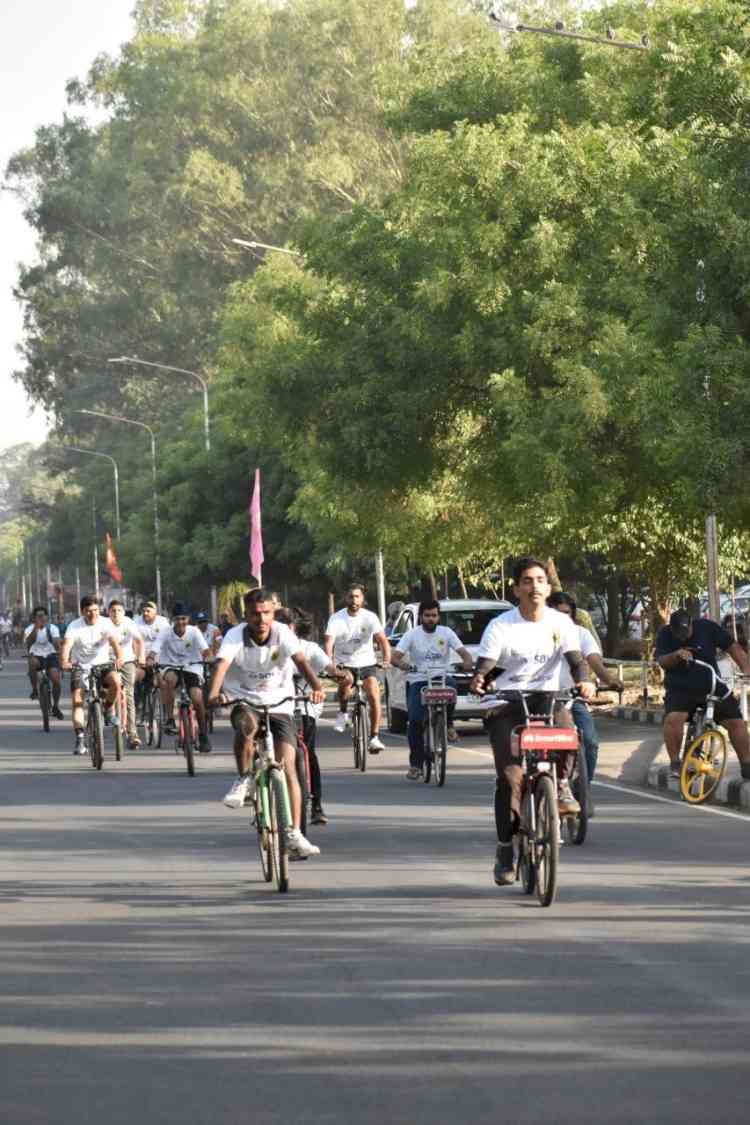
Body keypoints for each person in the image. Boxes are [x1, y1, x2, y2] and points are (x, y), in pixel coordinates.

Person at [469, 557, 595, 887]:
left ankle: (562, 786)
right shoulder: (501, 626)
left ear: (548, 587)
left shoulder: (561, 623)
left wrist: (585, 681)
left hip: (547, 698)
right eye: (527, 580)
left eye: (540, 580)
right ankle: (505, 848)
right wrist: (481, 679)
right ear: (516, 589)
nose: (534, 586)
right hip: (508, 702)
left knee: (569, 730)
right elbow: (488, 664)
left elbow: (576, 660)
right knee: (511, 778)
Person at [208, 587, 326, 860]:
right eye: (254, 614)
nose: (261, 619)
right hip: (244, 698)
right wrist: (214, 694)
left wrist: (317, 686)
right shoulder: (234, 635)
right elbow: (222, 666)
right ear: (246, 615)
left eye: (266, 613)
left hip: (280, 703)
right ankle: (244, 779)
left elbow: (301, 661)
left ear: (273, 613)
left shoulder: (283, 633)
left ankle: (294, 833)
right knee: (246, 725)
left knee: (288, 766)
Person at [276, 606, 352, 825]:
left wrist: (341, 675)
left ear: (295, 627)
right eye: (280, 625)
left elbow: (329, 667)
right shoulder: (269, 650)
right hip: (278, 707)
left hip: (305, 705)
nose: (285, 629)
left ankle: (316, 805)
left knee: (308, 751)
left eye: (289, 624)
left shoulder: (309, 648)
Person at [655, 609, 750, 780]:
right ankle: (675, 764)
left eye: (686, 632)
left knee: (736, 722)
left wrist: (746, 668)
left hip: (712, 684)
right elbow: (662, 661)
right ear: (671, 628)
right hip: (680, 689)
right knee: (673, 719)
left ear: (692, 624)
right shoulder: (664, 634)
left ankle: (747, 764)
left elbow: (733, 647)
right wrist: (676, 655)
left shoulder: (707, 628)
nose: (682, 636)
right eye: (678, 633)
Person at [547, 591, 622, 793]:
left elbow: (594, 661)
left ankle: (582, 788)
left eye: (566, 613)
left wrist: (610, 680)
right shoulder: (533, 632)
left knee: (589, 741)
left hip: (571, 698)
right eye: (556, 613)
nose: (562, 618)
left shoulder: (581, 634)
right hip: (539, 698)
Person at [390, 599, 473, 779]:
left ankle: (449, 724)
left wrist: (466, 661)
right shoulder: (412, 635)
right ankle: (416, 765)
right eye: (427, 616)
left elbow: (464, 652)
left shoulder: (446, 633)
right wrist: (405, 666)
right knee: (415, 720)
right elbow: (395, 657)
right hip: (418, 680)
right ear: (421, 617)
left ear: (438, 617)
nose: (430, 619)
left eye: (434, 615)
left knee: (452, 687)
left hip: (441, 678)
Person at [324, 582, 391, 753]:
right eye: (350, 596)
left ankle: (374, 737)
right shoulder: (336, 618)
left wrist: (386, 660)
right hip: (344, 663)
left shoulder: (370, 617)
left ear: (363, 599)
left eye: (357, 596)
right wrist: (330, 663)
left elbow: (382, 640)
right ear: (345, 598)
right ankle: (343, 712)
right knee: (346, 683)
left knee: (374, 694)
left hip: (367, 662)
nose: (354, 600)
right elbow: (329, 642)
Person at [60, 595, 124, 755]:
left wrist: (120, 658)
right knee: (77, 700)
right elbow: (67, 645)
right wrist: (65, 661)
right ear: (82, 612)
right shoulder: (74, 626)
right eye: (89, 611)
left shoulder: (105, 622)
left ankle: (108, 710)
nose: (93, 614)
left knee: (116, 682)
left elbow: (115, 643)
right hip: (80, 666)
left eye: (95, 610)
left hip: (102, 664)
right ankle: (80, 737)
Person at [148, 601, 211, 752]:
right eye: (177, 619)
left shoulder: (194, 632)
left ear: (188, 619)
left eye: (183, 618)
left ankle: (203, 735)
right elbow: (155, 649)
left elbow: (206, 650)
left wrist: (208, 657)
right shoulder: (165, 632)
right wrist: (150, 658)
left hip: (192, 667)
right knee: (169, 680)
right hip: (171, 666)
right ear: (172, 620)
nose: (180, 622)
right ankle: (170, 719)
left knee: (197, 699)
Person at [108, 600, 145, 749]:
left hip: (127, 661)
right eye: (113, 610)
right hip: (108, 661)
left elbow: (139, 640)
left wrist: (141, 656)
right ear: (108, 612)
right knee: (106, 690)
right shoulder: (104, 624)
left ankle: (132, 733)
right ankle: (106, 713)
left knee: (129, 695)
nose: (116, 613)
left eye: (119, 610)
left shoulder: (129, 623)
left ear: (123, 612)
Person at [24, 605, 64, 718]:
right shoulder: (29, 629)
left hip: (51, 656)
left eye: (43, 615)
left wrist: (55, 641)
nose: (41, 618)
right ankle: (34, 690)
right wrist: (36, 628)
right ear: (34, 618)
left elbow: (56, 645)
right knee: (31, 662)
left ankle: (55, 706)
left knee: (56, 680)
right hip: (36, 656)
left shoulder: (53, 628)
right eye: (39, 616)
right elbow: (29, 643)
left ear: (47, 617)